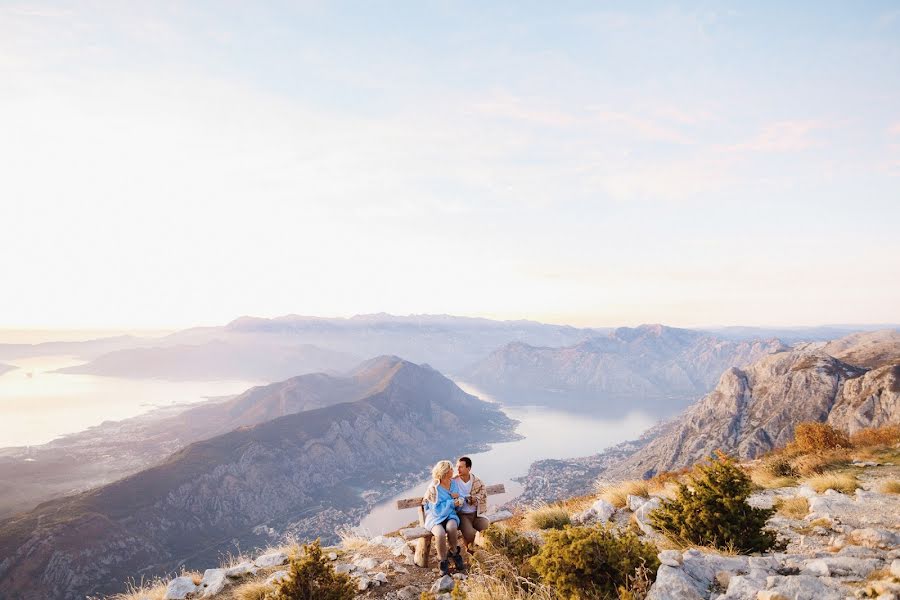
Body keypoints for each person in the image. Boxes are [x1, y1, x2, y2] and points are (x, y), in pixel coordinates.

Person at [422, 460, 466, 575]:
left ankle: (455, 553)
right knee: (440, 533)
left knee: (452, 527)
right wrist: (452, 502)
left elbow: (458, 498)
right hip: (435, 517)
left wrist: (459, 500)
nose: (453, 470)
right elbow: (436, 510)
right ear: (445, 471)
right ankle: (443, 561)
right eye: (451, 468)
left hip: (450, 514)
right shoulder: (434, 488)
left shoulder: (453, 483)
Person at [453, 456, 489, 554]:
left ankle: (484, 548)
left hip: (477, 513)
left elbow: (483, 495)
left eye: (461, 467)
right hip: (462, 514)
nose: (458, 469)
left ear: (468, 468)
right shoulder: (453, 481)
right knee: (470, 534)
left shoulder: (478, 482)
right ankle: (477, 550)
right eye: (457, 467)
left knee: (487, 528)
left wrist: (474, 499)